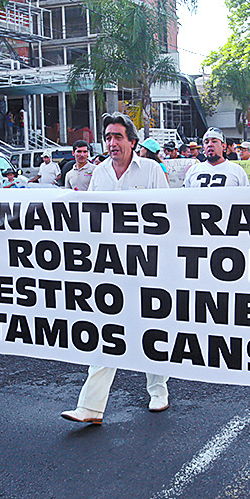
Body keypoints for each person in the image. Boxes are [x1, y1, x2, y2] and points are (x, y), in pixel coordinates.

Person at [61, 112, 169, 425]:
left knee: (151, 327)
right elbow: (92, 215)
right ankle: (91, 407)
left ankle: (158, 390)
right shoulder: (100, 173)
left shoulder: (151, 170)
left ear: (132, 141)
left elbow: (167, 213)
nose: (112, 143)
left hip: (147, 263)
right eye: (108, 137)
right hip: (109, 264)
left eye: (118, 136)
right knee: (107, 329)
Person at [183, 128, 250, 187]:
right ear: (204, 147)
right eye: (206, 142)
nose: (210, 144)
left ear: (223, 146)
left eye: (214, 141)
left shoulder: (237, 171)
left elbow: (245, 195)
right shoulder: (193, 170)